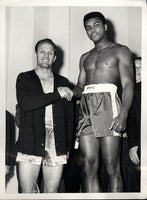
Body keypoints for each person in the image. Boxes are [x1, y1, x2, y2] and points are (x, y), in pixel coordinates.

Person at [61, 12, 134, 192]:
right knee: (88, 167)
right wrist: (70, 91)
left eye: (96, 25)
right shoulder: (85, 57)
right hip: (86, 107)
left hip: (108, 103)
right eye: (88, 27)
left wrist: (123, 114)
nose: (92, 30)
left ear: (105, 26)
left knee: (111, 167)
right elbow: (80, 87)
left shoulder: (121, 50)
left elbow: (128, 84)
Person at [15, 38, 75, 193]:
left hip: (57, 145)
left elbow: (69, 118)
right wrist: (57, 94)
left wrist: (67, 147)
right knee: (27, 192)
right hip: (30, 142)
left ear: (55, 57)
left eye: (50, 53)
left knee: (52, 193)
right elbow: (26, 104)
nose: (46, 56)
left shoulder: (63, 82)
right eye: (42, 51)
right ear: (36, 54)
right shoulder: (24, 78)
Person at [127, 57, 141, 192]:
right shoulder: (129, 90)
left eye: (140, 67)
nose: (137, 71)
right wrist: (133, 144)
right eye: (134, 68)